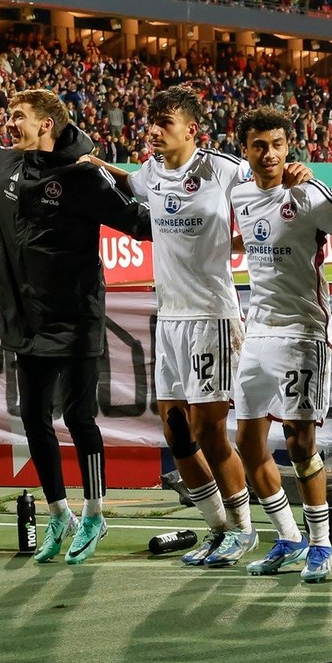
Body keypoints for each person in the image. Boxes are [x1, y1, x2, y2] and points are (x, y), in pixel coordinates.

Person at [0, 91, 151, 564]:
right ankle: (60, 514)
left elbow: (141, 224)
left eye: (19, 117)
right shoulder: (5, 164)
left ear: (47, 125)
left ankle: (95, 513)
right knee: (34, 418)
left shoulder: (84, 175)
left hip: (76, 317)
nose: (10, 123)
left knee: (79, 418)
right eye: (10, 115)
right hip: (24, 317)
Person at [104, 86, 258, 568]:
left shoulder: (224, 169)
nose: (153, 130)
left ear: (192, 129)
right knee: (176, 430)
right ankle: (217, 528)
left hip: (211, 314)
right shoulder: (150, 171)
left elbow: (270, 194)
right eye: (151, 122)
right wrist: (97, 166)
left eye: (164, 122)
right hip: (169, 317)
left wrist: (240, 240)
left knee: (209, 429)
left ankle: (245, 530)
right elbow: (132, 182)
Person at [230, 108, 332, 582]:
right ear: (247, 150)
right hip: (258, 329)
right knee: (247, 441)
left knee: (300, 441)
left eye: (278, 143)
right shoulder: (238, 192)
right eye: (260, 144)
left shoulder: (308, 193)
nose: (271, 153)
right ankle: (288, 538)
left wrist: (318, 184)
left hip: (303, 331)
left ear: (288, 145)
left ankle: (322, 545)